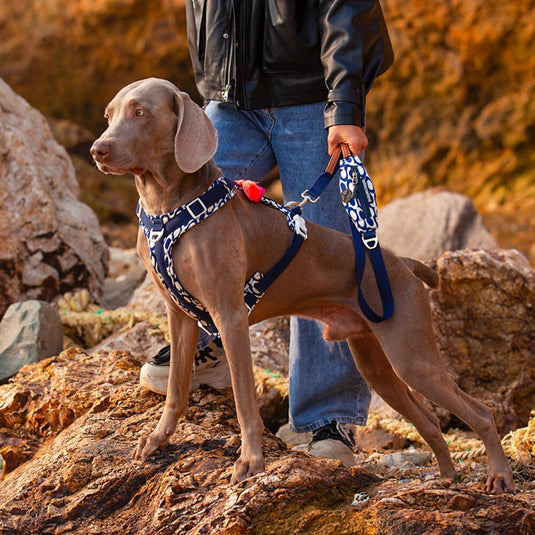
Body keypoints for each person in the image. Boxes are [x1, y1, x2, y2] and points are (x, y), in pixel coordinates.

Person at [140, 0, 393, 466]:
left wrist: (346, 103)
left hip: (311, 98)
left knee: (325, 256)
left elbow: (347, 7)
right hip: (229, 99)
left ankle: (328, 418)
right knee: (184, 222)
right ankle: (211, 349)